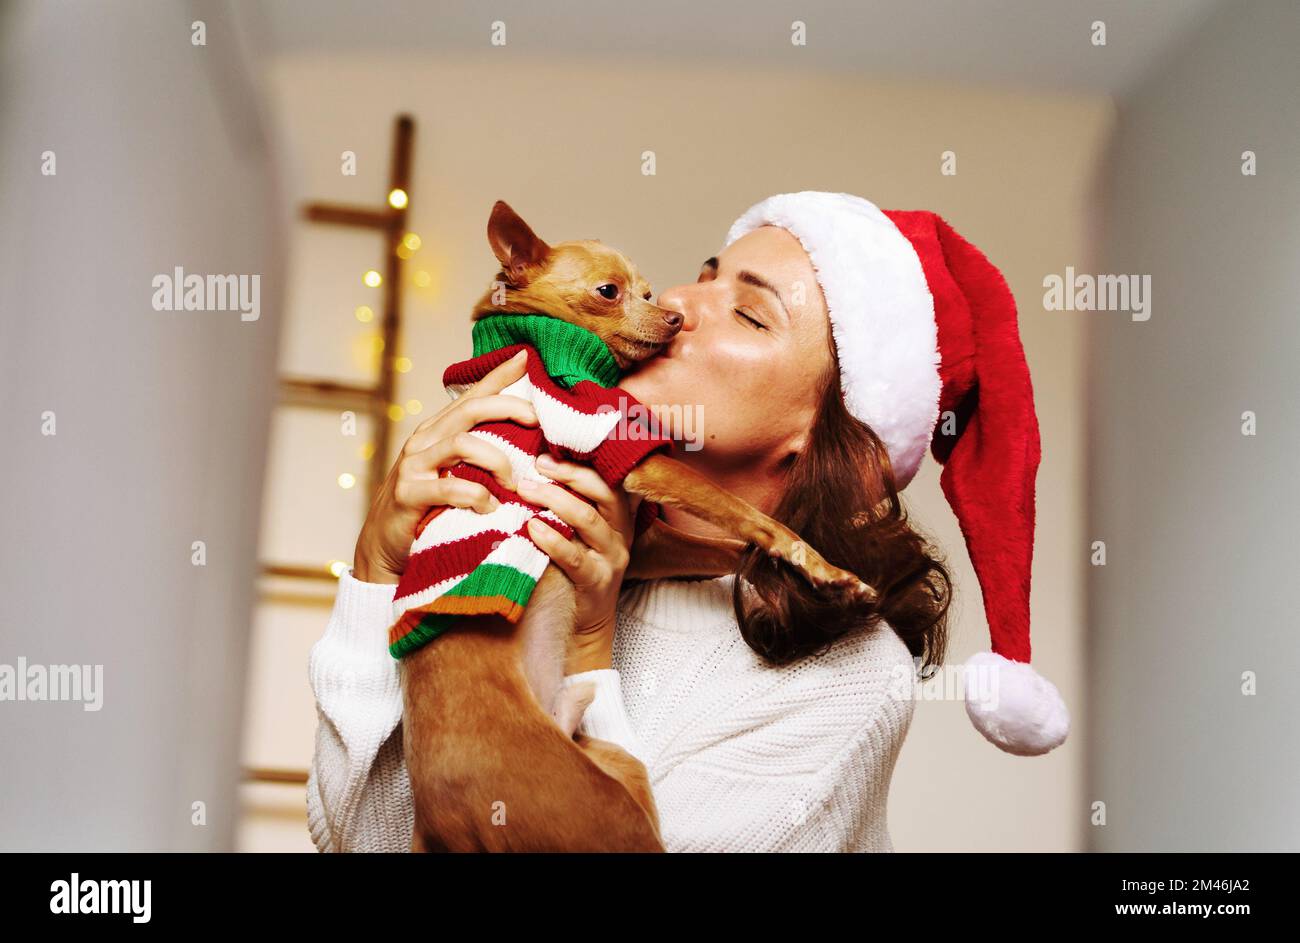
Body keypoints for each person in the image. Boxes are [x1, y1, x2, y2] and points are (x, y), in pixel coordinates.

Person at [305, 190, 1067, 853]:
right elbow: (381, 835)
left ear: (823, 439)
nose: (678, 304)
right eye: (707, 273)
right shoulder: (535, 526)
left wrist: (588, 648)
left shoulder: (851, 679)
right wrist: (377, 567)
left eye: (747, 312)